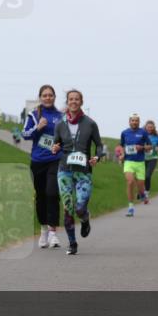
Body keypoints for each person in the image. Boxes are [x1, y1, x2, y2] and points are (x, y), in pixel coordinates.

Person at [50, 90, 105, 255]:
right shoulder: (60, 124)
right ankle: (72, 243)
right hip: (64, 170)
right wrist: (55, 147)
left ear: (81, 102)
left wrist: (97, 156)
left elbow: (100, 145)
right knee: (67, 208)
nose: (73, 102)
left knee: (80, 207)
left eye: (76, 99)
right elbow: (55, 144)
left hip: (83, 172)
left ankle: (85, 218)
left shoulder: (90, 123)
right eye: (70, 99)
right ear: (67, 102)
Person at [21, 85, 64, 249]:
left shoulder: (61, 116)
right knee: (41, 196)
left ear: (54, 97)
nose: (48, 98)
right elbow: (24, 134)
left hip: (55, 159)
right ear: (40, 97)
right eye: (44, 95)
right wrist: (38, 127)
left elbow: (66, 138)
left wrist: (61, 145)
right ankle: (44, 230)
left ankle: (53, 233)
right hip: (37, 161)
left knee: (52, 193)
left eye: (50, 95)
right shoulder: (34, 114)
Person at [119, 114, 152, 216]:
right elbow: (121, 146)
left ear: (139, 122)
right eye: (132, 120)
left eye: (136, 121)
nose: (134, 122)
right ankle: (130, 207)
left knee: (141, 186)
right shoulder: (124, 133)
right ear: (129, 122)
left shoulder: (143, 132)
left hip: (140, 163)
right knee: (130, 181)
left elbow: (150, 146)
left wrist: (141, 147)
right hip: (129, 162)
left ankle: (142, 194)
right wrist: (121, 155)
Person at [142, 120, 158, 203]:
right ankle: (141, 192)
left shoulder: (156, 137)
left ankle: (146, 193)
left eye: (151, 127)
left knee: (147, 176)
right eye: (148, 127)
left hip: (153, 158)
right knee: (141, 176)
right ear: (145, 127)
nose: (149, 129)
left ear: (153, 128)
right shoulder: (142, 135)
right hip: (142, 158)